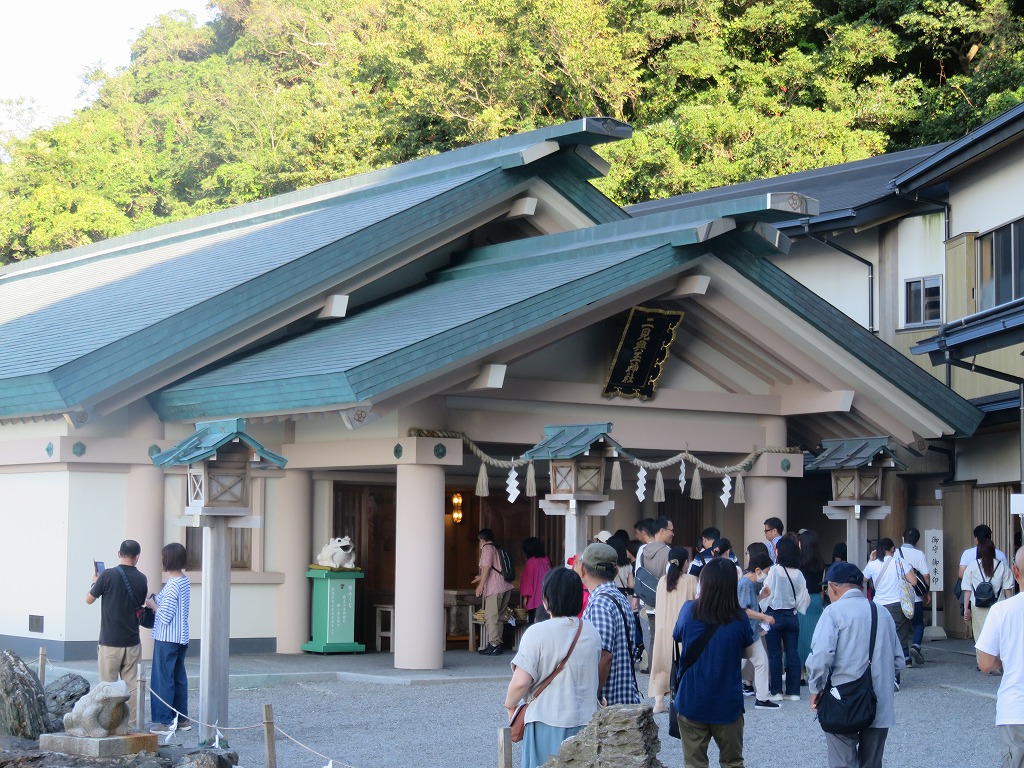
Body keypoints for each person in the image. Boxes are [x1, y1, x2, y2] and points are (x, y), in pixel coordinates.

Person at [807, 562, 903, 768]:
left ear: (833, 587)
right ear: (861, 587)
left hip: (842, 700)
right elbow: (898, 661)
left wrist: (815, 688)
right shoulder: (883, 613)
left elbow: (821, 656)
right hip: (879, 703)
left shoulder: (833, 613)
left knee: (842, 762)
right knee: (872, 763)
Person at [504, 567, 602, 768]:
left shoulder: (537, 633)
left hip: (546, 720)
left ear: (546, 598)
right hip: (586, 720)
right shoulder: (591, 631)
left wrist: (509, 704)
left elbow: (521, 683)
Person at [672, 557, 756, 768]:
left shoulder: (688, 611)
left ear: (704, 582)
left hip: (691, 698)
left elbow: (678, 636)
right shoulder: (739, 618)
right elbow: (749, 652)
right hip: (727, 702)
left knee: (694, 763)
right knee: (733, 762)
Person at [86, 539, 147, 726]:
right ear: (137, 557)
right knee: (133, 687)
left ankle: (109, 725)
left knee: (108, 687)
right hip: (132, 641)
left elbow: (89, 599)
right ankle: (132, 725)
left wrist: (95, 582)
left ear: (118, 554)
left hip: (110, 642)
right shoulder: (142, 578)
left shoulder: (108, 575)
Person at [976, 547, 1024, 767]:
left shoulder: (1002, 611)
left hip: (1014, 709)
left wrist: (1002, 661)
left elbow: (985, 664)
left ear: (1015, 571)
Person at [580, 542, 642, 706]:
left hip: (608, 702)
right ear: (615, 571)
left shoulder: (600, 603)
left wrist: (592, 696)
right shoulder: (618, 597)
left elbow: (604, 656)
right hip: (623, 697)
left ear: (583, 570)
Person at [147, 543, 191, 734]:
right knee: (178, 677)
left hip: (167, 636)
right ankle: (181, 719)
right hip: (181, 636)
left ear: (168, 559)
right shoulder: (184, 581)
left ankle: (164, 721)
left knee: (163, 678)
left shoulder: (173, 584)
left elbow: (165, 616)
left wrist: (152, 605)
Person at [649, 546, 698, 714]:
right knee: (685, 662)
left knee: (661, 661)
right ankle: (683, 699)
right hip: (683, 628)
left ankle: (658, 701)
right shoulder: (691, 580)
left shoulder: (663, 581)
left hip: (663, 627)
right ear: (686, 562)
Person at [761, 536, 807, 701]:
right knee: (792, 653)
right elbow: (803, 596)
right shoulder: (799, 574)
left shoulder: (774, 571)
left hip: (774, 615)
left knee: (774, 654)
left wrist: (763, 609)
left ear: (778, 552)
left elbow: (766, 593)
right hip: (792, 616)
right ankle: (794, 691)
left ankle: (776, 691)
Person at [862, 538, 911, 676]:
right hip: (897, 605)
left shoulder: (873, 565)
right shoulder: (900, 562)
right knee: (898, 640)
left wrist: (870, 561)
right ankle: (896, 676)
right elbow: (913, 581)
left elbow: (862, 579)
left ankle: (881, 674)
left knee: (880, 639)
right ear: (893, 548)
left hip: (878, 606)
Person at [963, 538, 1015, 665]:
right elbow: (1008, 590)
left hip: (978, 606)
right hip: (998, 605)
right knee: (997, 634)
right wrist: (1011, 607)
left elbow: (967, 590)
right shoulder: (1001, 566)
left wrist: (966, 608)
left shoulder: (972, 566)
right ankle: (997, 663)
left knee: (980, 635)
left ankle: (983, 664)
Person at [738, 552, 776, 709]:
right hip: (746, 632)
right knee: (758, 663)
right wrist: (764, 617)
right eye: (766, 571)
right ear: (758, 569)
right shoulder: (746, 584)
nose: (766, 575)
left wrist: (762, 596)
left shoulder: (749, 583)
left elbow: (748, 605)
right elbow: (743, 609)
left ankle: (762, 698)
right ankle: (761, 698)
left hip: (749, 632)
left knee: (753, 663)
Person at [638, 516, 674, 668]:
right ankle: (665, 674)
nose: (673, 534)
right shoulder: (668, 553)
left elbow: (638, 576)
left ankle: (654, 673)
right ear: (662, 530)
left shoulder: (643, 550)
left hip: (647, 602)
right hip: (665, 604)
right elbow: (671, 580)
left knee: (652, 638)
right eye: (671, 530)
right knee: (666, 639)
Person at [473, 528, 514, 655]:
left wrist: (481, 585)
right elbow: (496, 569)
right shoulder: (498, 548)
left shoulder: (487, 549)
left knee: (491, 616)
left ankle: (494, 644)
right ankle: (498, 643)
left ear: (482, 539)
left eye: (479, 540)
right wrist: (481, 578)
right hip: (506, 586)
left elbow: (487, 568)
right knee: (500, 617)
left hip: (495, 588)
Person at [898, 528, 930, 665]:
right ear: (917, 541)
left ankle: (906, 657)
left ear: (903, 538)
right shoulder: (919, 554)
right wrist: (926, 592)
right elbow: (926, 576)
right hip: (916, 597)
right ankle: (916, 646)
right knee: (918, 623)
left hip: (900, 597)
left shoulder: (895, 554)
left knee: (902, 627)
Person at [797, 528, 826, 676]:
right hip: (815, 600)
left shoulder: (797, 562)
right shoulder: (821, 562)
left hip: (801, 600)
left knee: (800, 635)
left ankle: (800, 672)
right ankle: (811, 671)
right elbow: (821, 586)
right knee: (814, 636)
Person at [520, 537, 551, 624]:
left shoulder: (531, 562)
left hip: (534, 600)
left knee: (533, 625)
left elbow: (527, 581)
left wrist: (525, 598)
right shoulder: (546, 560)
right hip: (547, 599)